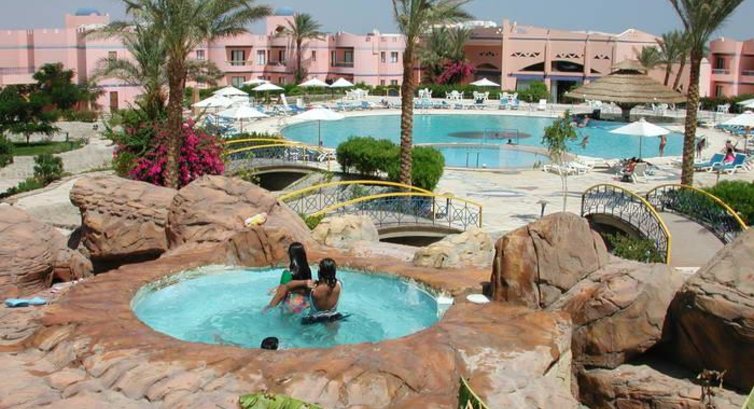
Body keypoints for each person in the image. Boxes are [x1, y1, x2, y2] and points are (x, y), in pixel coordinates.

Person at [266, 258, 344, 325]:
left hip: (314, 320)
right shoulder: (339, 284)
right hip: (334, 317)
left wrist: (304, 282)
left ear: (320, 272)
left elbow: (288, 285)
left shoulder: (313, 289)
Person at [273, 242, 312, 314]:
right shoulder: (308, 270)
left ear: (290, 255)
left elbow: (280, 294)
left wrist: (269, 307)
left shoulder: (287, 273)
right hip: (305, 303)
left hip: (291, 305)